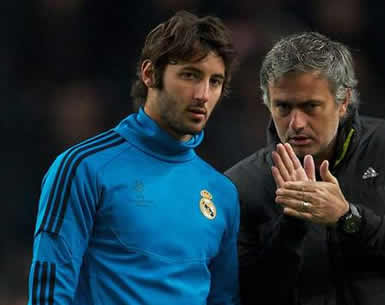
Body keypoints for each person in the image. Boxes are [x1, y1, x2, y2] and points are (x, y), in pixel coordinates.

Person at [27, 11, 240, 305]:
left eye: (215, 81)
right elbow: (49, 293)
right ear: (149, 74)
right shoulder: (83, 168)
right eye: (190, 75)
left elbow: (223, 298)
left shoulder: (223, 193)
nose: (203, 94)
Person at [225, 32, 385, 305]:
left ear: (343, 102)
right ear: (267, 103)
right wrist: (293, 225)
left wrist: (347, 217)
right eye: (283, 107)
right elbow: (254, 294)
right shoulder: (242, 183)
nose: (296, 123)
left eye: (311, 107)